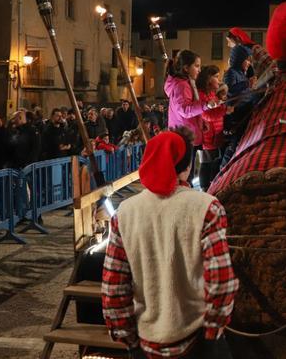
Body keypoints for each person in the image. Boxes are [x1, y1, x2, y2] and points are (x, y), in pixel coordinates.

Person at [102, 128, 238, 358]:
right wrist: (213, 333)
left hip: (146, 342)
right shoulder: (207, 207)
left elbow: (113, 287)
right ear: (186, 168)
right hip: (197, 341)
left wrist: (129, 340)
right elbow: (221, 281)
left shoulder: (125, 212)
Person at [165, 49, 220, 171]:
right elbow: (184, 110)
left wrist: (201, 122)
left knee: (188, 171)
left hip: (187, 134)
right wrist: (206, 105)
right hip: (185, 136)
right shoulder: (182, 85)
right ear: (186, 68)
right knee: (185, 172)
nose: (199, 70)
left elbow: (191, 106)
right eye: (196, 66)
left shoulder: (187, 83)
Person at [197, 65, 227, 191]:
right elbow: (207, 115)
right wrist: (225, 110)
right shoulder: (202, 95)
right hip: (208, 135)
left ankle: (211, 187)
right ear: (208, 79)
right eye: (216, 77)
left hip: (216, 133)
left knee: (214, 161)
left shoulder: (212, 94)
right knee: (206, 163)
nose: (218, 80)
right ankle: (205, 188)